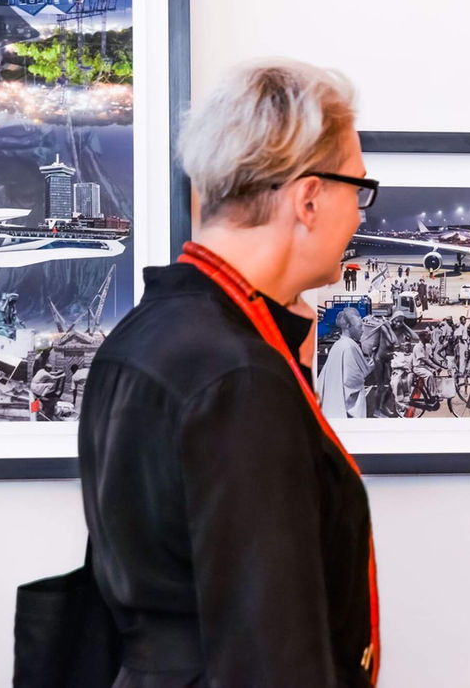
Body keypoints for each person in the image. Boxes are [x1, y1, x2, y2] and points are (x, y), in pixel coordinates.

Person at [78, 60, 381, 686]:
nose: (360, 215)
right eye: (359, 187)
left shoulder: (145, 334)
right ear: (309, 198)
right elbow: (270, 655)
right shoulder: (238, 377)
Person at [319, 307, 374, 418]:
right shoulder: (350, 346)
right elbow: (352, 381)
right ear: (348, 326)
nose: (363, 329)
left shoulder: (338, 344)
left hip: (331, 404)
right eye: (359, 326)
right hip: (344, 410)